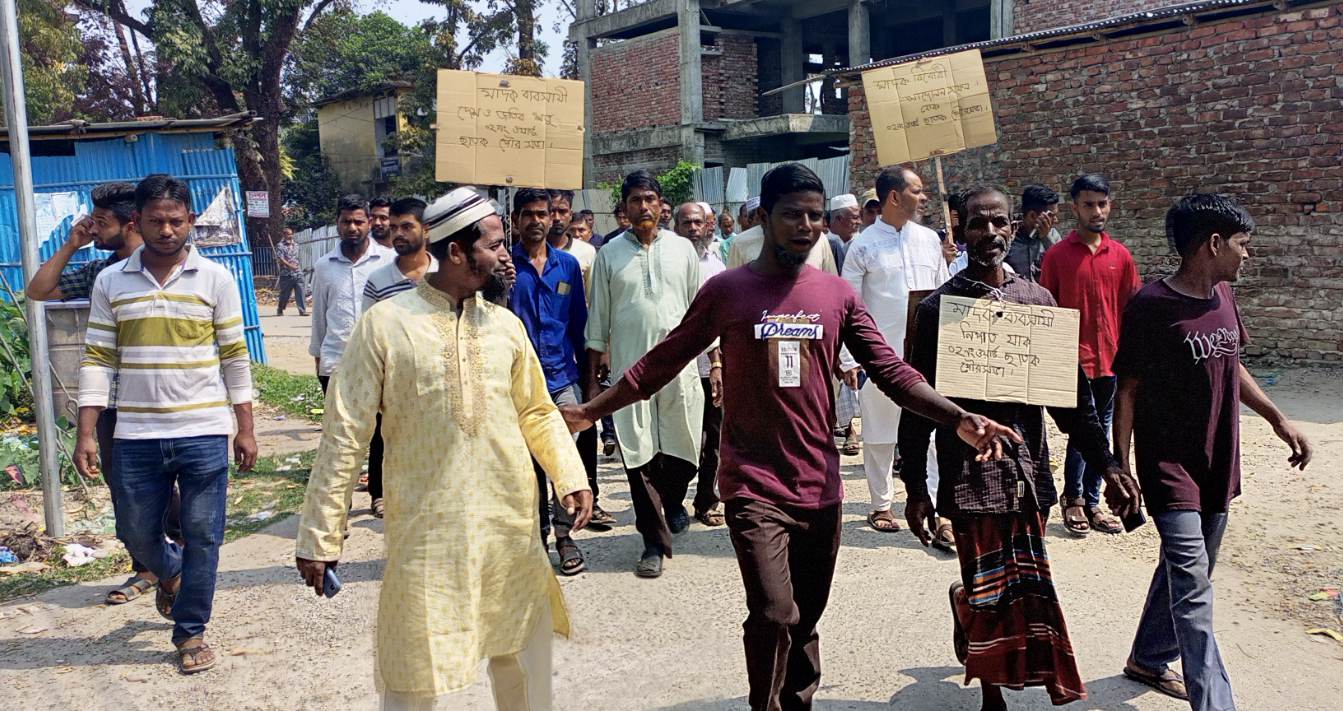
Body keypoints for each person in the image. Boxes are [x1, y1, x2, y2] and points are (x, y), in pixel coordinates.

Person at [561, 163, 1020, 711]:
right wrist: (593, 410)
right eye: (792, 215)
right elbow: (662, 360)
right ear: (763, 218)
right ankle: (766, 705)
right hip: (753, 483)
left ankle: (797, 701)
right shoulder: (727, 291)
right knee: (776, 611)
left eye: (815, 217)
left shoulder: (837, 294)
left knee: (805, 617)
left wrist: (956, 416)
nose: (805, 227)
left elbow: (892, 371)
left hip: (819, 484)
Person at [295, 186, 593, 711]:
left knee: (523, 655)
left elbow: (537, 411)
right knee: (417, 660)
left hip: (508, 524)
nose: (507, 255)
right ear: (457, 251)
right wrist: (321, 534)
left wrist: (570, 476)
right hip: (428, 530)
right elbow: (346, 430)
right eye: (495, 245)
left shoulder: (505, 325)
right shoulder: (386, 325)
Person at [898, 185, 1142, 710]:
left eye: (999, 223)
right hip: (967, 477)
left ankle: (969, 614)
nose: (989, 234)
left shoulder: (1038, 302)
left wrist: (1109, 464)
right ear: (960, 229)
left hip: (1026, 470)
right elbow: (917, 406)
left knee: (1026, 588)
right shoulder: (940, 310)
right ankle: (991, 693)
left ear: (1015, 227)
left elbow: (1072, 401)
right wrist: (916, 488)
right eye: (978, 224)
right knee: (988, 589)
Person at [1114, 194, 1312, 711]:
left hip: (1217, 462)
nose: (1248, 255)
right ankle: (1215, 703)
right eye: (1244, 245)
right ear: (1214, 243)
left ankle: (1148, 657)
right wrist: (1120, 464)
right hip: (1169, 467)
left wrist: (1277, 418)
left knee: (1189, 573)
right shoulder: (1151, 305)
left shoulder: (1223, 296)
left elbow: (1233, 363)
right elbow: (1128, 390)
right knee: (1194, 589)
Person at [74, 174, 257, 674]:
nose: (168, 230)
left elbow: (235, 356)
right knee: (135, 531)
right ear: (138, 222)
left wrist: (245, 425)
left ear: (191, 221)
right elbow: (96, 359)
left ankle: (191, 630)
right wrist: (86, 431)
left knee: (204, 533)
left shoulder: (215, 280)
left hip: (202, 431)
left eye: (177, 221)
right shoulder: (111, 281)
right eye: (156, 221)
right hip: (134, 433)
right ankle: (169, 570)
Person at [27, 182, 185, 606]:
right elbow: (37, 290)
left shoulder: (171, 265)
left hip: (167, 397)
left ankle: (177, 560)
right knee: (127, 493)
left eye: (100, 223)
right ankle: (149, 566)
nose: (92, 229)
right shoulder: (102, 273)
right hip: (114, 403)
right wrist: (71, 245)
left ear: (130, 222)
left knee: (173, 486)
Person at [585, 170, 704, 578]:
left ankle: (673, 502)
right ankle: (653, 542)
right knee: (638, 454)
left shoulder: (683, 250)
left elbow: (697, 312)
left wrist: (716, 363)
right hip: (630, 373)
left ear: (661, 204)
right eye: (636, 200)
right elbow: (598, 319)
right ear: (624, 208)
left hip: (681, 369)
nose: (644, 207)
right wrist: (595, 373)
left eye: (650, 199)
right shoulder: (609, 254)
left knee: (684, 450)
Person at [840, 165, 951, 540]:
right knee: (880, 434)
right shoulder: (864, 245)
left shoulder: (929, 240)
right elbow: (848, 305)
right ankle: (881, 504)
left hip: (925, 355)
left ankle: (937, 507)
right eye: (917, 191)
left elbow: (942, 293)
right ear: (893, 197)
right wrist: (849, 360)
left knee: (934, 433)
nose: (923, 198)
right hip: (880, 357)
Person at [1040, 174, 1141, 537]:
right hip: (1074, 360)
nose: (1096, 211)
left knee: (1107, 427)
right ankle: (1074, 499)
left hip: (1112, 359)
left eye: (1102, 203)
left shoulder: (1121, 256)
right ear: (1075, 208)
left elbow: (1133, 308)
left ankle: (1096, 500)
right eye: (1088, 204)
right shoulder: (1057, 256)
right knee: (1084, 431)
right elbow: (1045, 308)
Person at [508, 188, 594, 574]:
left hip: (562, 378)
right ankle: (536, 539)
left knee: (561, 455)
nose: (537, 221)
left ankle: (564, 534)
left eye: (542, 213)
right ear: (515, 220)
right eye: (527, 214)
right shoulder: (504, 267)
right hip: (517, 383)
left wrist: (591, 382)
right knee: (526, 464)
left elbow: (578, 324)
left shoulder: (568, 266)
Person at [354, 197, 437, 519]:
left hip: (437, 380)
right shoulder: (379, 280)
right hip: (396, 383)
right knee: (388, 440)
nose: (398, 233)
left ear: (425, 230)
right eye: (394, 227)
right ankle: (383, 493)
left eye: (407, 226)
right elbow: (368, 334)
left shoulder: (445, 273)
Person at [673, 202, 727, 527]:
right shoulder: (666, 266)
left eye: (699, 223)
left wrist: (719, 362)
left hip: (712, 368)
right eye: (686, 223)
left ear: (708, 226)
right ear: (675, 227)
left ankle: (707, 500)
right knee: (682, 437)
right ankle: (673, 501)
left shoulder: (716, 267)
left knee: (714, 437)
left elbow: (718, 319)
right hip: (677, 367)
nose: (693, 229)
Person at [310, 194, 395, 393]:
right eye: (346, 222)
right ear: (337, 223)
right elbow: (319, 316)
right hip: (336, 363)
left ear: (369, 222)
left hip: (381, 363)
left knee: (380, 425)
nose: (352, 228)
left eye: (358, 222)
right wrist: (318, 357)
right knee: (341, 424)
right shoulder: (324, 266)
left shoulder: (390, 261)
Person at [727, 201, 839, 275]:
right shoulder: (740, 243)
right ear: (763, 215)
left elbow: (832, 286)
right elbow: (730, 290)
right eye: (790, 214)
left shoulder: (819, 239)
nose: (805, 224)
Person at [1006, 184, 1061, 282]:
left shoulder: (1053, 235)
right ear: (1032, 216)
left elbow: (1062, 267)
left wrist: (1046, 239)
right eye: (1051, 215)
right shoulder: (1009, 235)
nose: (1056, 220)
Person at [274, 228, 307, 316]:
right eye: (288, 234)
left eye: (291, 234)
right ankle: (280, 309)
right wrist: (290, 266)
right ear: (284, 235)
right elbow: (280, 259)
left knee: (300, 291)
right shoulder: (280, 246)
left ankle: (302, 310)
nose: (290, 236)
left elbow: (297, 257)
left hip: (298, 272)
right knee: (285, 294)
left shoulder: (296, 245)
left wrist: (298, 267)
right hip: (286, 274)